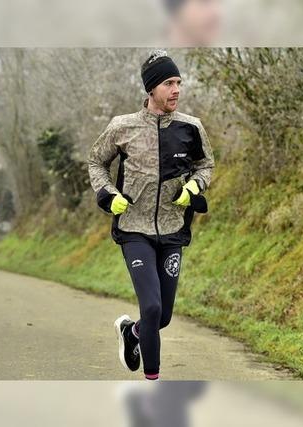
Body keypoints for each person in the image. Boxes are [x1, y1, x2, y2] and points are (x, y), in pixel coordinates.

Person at [87, 50, 215, 380]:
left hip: (173, 229)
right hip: (134, 228)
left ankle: (132, 334)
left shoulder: (191, 127)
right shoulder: (122, 127)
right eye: (169, 83)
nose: (176, 90)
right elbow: (96, 162)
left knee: (163, 317)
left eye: (179, 83)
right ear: (151, 89)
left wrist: (195, 188)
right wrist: (107, 194)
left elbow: (206, 165)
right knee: (152, 307)